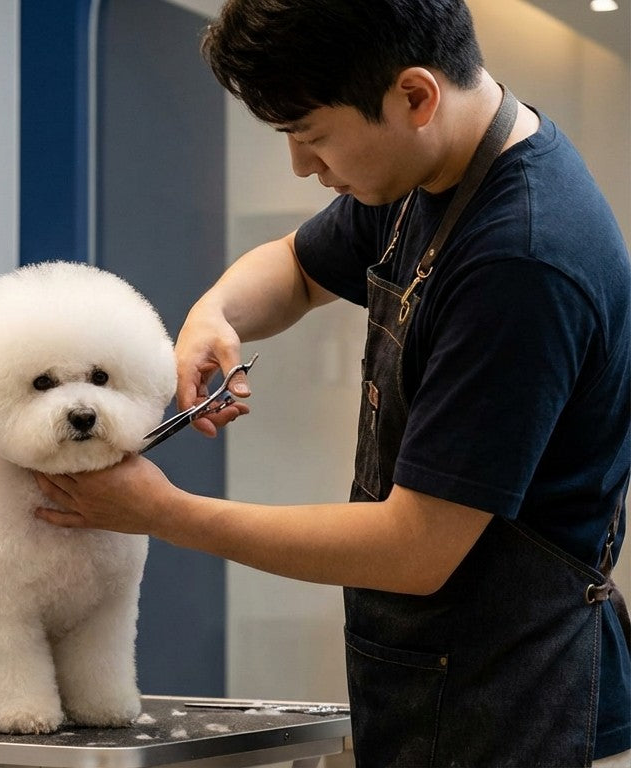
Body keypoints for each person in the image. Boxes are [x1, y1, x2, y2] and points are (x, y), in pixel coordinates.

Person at [32, 1, 631, 765]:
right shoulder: (426, 171)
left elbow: (417, 548)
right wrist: (214, 313)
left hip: (526, 713)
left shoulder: (522, 260)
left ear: (414, 97)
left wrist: (166, 513)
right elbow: (297, 266)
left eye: (310, 137)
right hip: (428, 687)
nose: (302, 168)